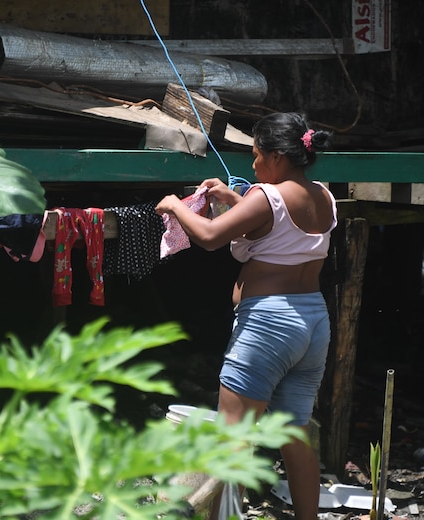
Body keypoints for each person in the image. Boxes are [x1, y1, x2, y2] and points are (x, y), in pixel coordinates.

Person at [155, 112, 336, 520]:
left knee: (232, 434)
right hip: (313, 322)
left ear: (275, 156)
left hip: (268, 326)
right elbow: (279, 230)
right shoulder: (324, 196)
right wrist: (234, 200)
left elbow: (209, 237)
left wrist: (173, 206)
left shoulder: (266, 195)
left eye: (256, 155)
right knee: (295, 436)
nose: (252, 165)